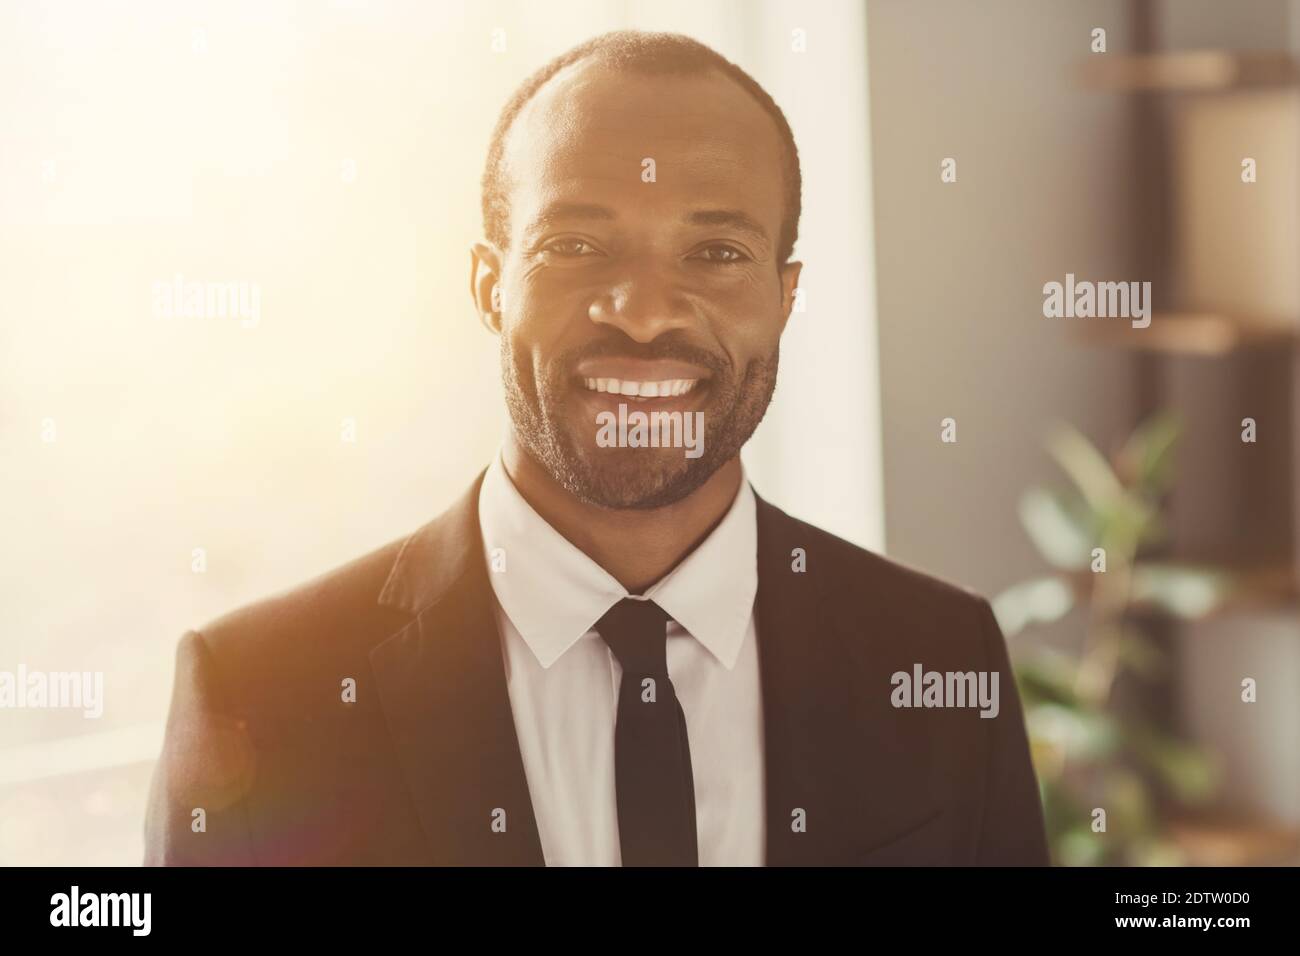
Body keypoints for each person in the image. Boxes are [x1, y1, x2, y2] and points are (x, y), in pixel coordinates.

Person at [145, 29, 1049, 867]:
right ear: (489, 287)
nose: (646, 311)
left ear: (785, 297)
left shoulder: (940, 655)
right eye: (575, 244)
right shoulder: (262, 690)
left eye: (718, 252)